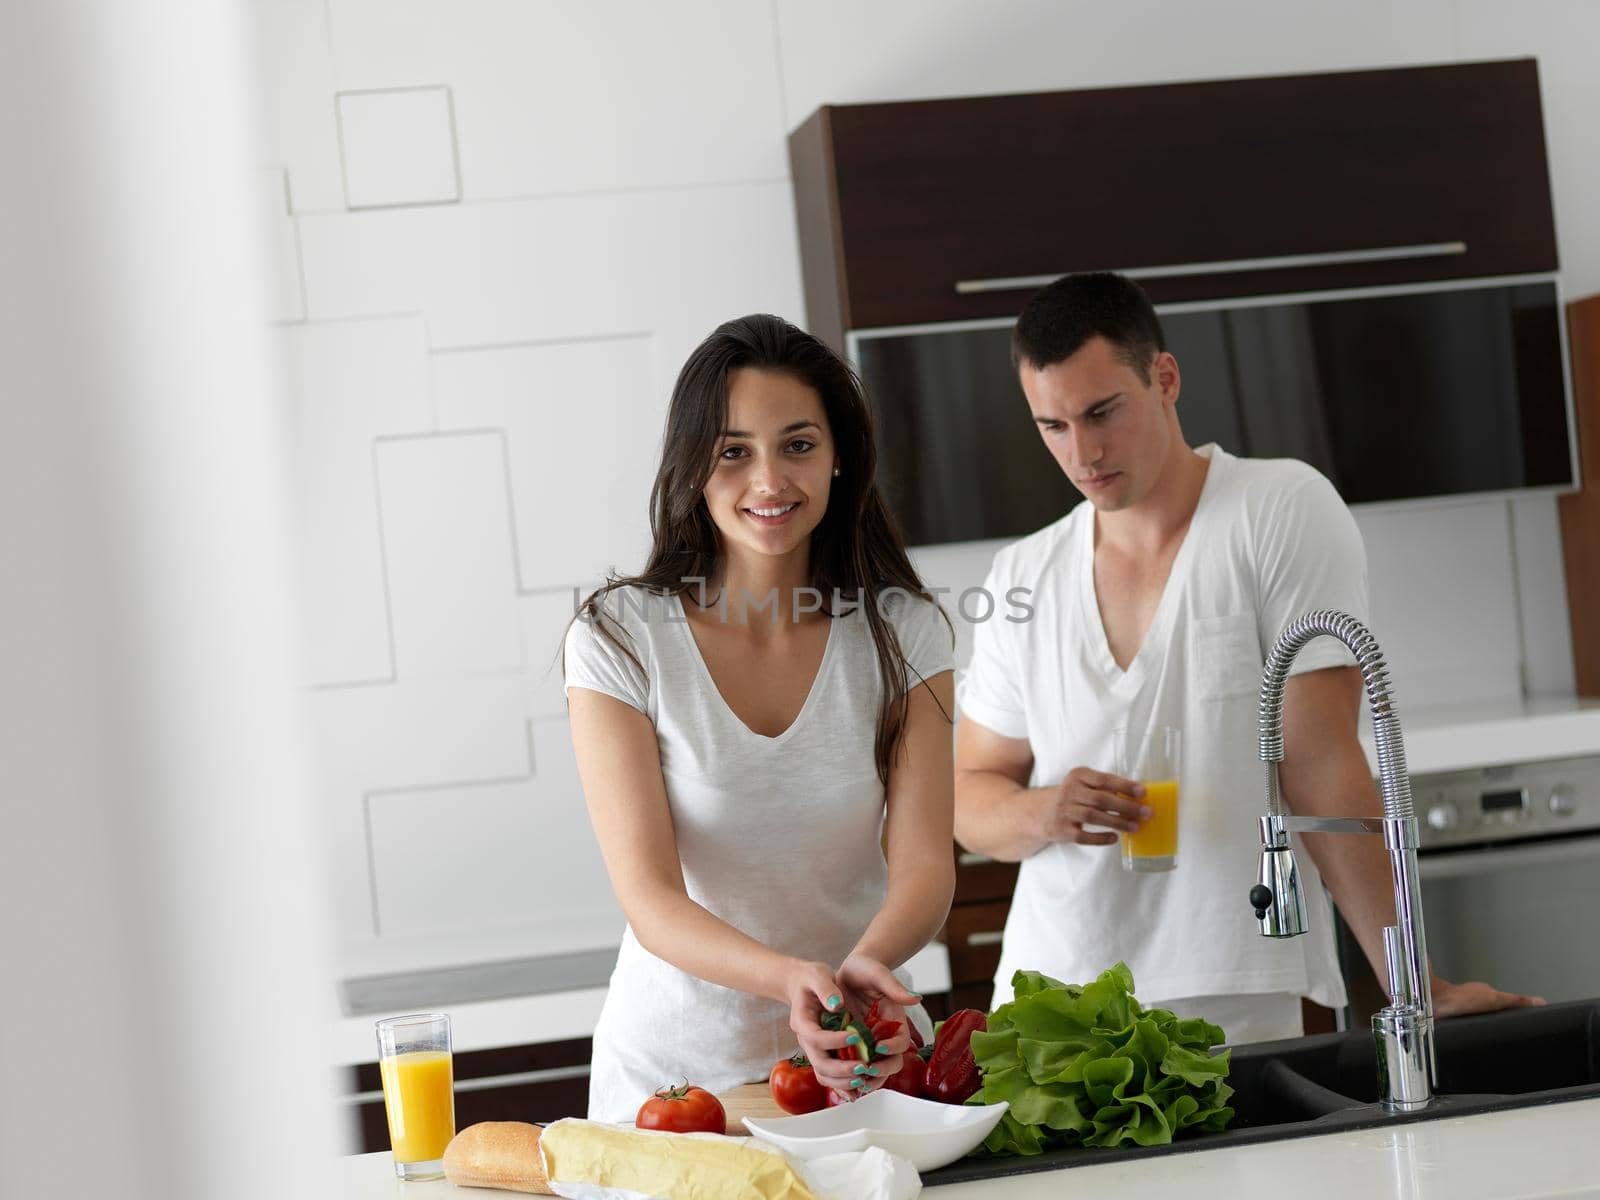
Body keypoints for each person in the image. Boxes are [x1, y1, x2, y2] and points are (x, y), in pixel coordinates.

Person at [953, 272, 1543, 1042]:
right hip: (1052, 1002)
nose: (1083, 453)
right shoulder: (1022, 572)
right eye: (1053, 426)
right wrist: (1043, 809)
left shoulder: (1278, 511)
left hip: (1234, 986)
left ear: (1164, 378)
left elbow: (1322, 764)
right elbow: (969, 799)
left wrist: (1413, 984)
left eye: (1102, 412)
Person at [564, 314, 957, 1121]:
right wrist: (791, 978)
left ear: (839, 456)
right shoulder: (620, 639)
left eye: (799, 445)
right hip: (677, 1080)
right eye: (734, 450)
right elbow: (651, 897)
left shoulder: (902, 631)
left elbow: (924, 867)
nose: (770, 480)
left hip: (858, 1062)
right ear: (693, 463)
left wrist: (863, 972)